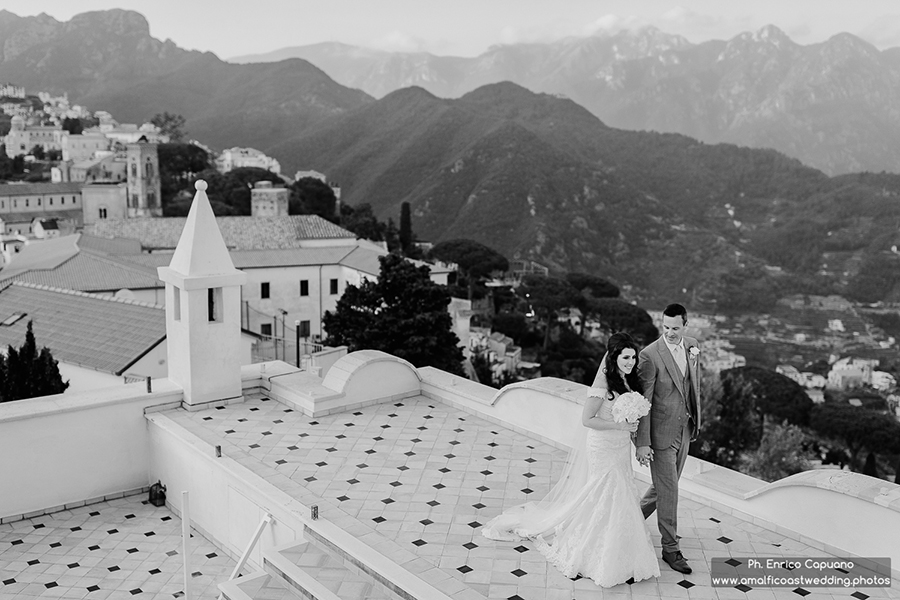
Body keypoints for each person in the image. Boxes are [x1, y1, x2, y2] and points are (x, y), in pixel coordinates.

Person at [482, 333, 660, 588]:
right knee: (607, 492)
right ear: (614, 358)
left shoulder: (630, 383)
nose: (631, 362)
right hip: (602, 446)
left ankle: (621, 546)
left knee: (620, 493)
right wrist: (620, 426)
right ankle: (591, 550)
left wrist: (632, 434)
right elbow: (587, 420)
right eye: (625, 357)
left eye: (633, 357)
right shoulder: (603, 386)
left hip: (620, 448)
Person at [634, 303, 701, 575]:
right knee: (670, 491)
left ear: (686, 325)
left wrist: (696, 420)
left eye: (675, 328)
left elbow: (694, 385)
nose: (670, 333)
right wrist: (642, 441)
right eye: (666, 328)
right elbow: (644, 401)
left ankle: (629, 520)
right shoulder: (649, 355)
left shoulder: (693, 345)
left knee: (663, 487)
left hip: (685, 429)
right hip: (659, 436)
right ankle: (670, 549)